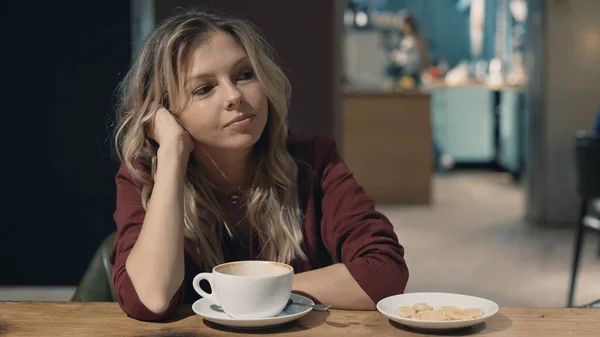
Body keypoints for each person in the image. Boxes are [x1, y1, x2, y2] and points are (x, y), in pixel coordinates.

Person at [110, 9, 409, 321]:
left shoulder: (316, 162)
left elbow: (383, 274)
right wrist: (172, 152)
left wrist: (248, 289)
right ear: (166, 113)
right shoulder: (145, 176)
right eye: (203, 89)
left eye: (244, 74)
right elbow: (150, 299)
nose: (234, 96)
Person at [387, 12, 431, 84]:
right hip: (402, 75)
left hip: (415, 76)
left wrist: (400, 58)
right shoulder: (401, 40)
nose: (402, 27)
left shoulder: (417, 39)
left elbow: (420, 58)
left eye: (404, 24)